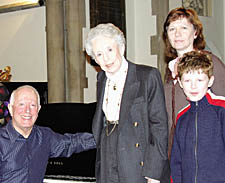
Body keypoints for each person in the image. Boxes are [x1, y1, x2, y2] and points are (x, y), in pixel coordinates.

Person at [85, 23, 170, 183]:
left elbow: (159, 126)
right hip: (108, 150)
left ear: (121, 47)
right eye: (99, 54)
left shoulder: (147, 76)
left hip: (137, 157)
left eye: (110, 50)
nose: (106, 58)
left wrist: (154, 172)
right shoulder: (101, 79)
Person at [162, 7, 225, 156]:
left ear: (195, 32)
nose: (177, 34)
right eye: (172, 29)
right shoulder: (169, 69)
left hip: (205, 153)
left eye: (184, 28)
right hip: (177, 153)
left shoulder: (211, 63)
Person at [0, 85, 96, 183]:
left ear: (38, 109)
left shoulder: (44, 136)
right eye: (21, 104)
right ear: (11, 109)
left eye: (33, 105)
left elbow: (72, 143)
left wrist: (104, 138)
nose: (27, 111)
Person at [170, 50, 225, 183]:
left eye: (200, 80)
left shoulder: (221, 110)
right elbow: (176, 162)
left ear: (210, 81)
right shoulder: (182, 117)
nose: (193, 86)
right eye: (187, 80)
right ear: (181, 84)